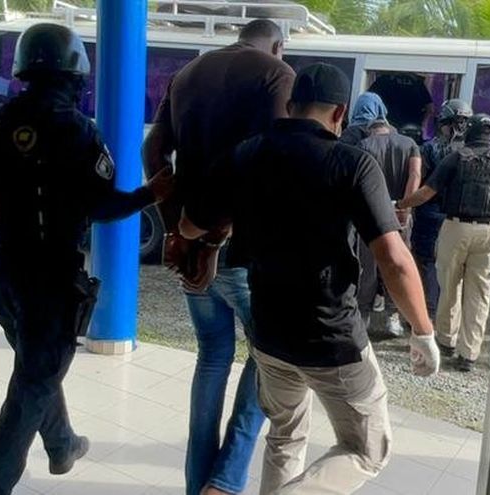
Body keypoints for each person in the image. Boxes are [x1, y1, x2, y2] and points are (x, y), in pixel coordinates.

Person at [180, 63, 440, 495]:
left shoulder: (246, 153)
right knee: (367, 450)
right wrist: (423, 330)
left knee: (285, 436)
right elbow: (393, 259)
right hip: (331, 338)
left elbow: (190, 225)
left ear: (290, 105)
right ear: (340, 113)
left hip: (268, 336)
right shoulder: (351, 163)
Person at [0, 24, 174, 495]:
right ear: (76, 74)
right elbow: (101, 207)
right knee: (34, 382)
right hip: (50, 282)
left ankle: (62, 444)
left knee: (38, 368)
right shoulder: (80, 132)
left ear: (23, 69)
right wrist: (149, 194)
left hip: (3, 276)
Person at [142, 19, 296, 495]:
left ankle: (199, 485)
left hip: (194, 243)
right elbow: (267, 159)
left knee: (212, 356)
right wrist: (213, 238)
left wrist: (179, 229)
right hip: (244, 248)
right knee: (271, 353)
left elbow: (153, 151)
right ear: (278, 45)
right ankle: (226, 479)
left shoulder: (187, 73)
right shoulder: (276, 74)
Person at [398, 114, 490, 372]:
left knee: (449, 285)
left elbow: (426, 193)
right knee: (480, 293)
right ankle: (468, 354)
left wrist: (401, 204)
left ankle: (446, 340)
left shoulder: (455, 158)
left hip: (456, 227)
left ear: (468, 131)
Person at [341, 92, 422, 337]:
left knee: (368, 266)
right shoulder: (410, 144)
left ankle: (363, 316)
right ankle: (393, 317)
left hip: (370, 213)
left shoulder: (363, 145)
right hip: (400, 214)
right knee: (398, 263)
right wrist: (406, 207)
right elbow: (415, 175)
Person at [410, 99, 473, 320]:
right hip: (459, 216)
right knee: (454, 267)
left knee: (427, 261)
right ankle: (446, 315)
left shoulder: (429, 148)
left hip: (430, 212)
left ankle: (428, 312)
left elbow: (420, 181)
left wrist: (406, 204)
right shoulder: (471, 153)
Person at [368, 72, 434, 131]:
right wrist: (423, 124)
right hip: (411, 127)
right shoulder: (417, 82)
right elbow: (430, 108)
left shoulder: (384, 79)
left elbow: (367, 101)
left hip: (388, 125)